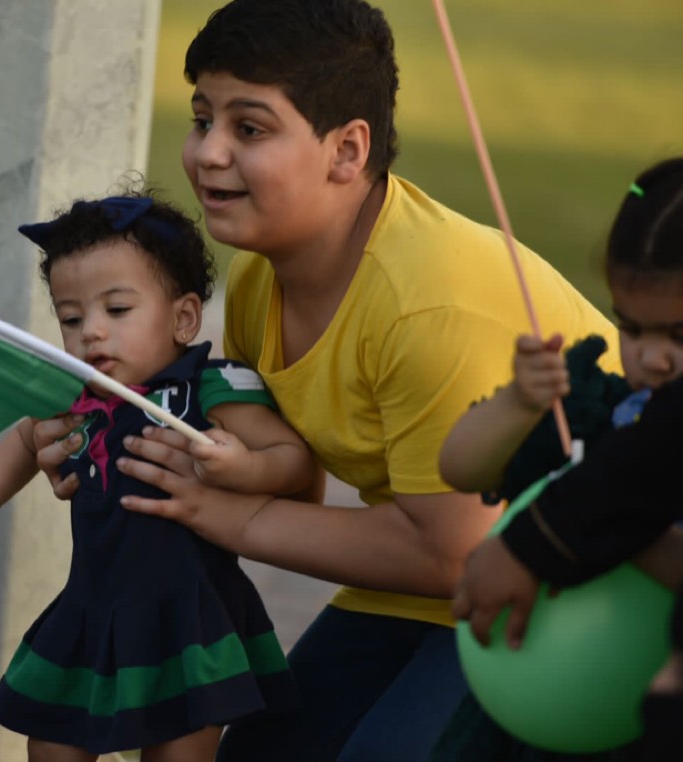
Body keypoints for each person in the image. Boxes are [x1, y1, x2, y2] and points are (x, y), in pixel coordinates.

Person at [32, 2, 621, 759]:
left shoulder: (428, 304)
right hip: (425, 588)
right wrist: (119, 451)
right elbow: (294, 491)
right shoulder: (257, 285)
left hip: (572, 586)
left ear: (347, 150)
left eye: (249, 128)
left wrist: (225, 515)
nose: (208, 152)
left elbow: (454, 554)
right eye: (202, 118)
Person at [0, 190, 311, 761]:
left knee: (178, 753)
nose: (91, 332)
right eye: (71, 317)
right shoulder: (76, 395)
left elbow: (293, 459)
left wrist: (245, 466)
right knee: (52, 747)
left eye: (116, 310)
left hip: (187, 618)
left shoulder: (207, 389)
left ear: (183, 317)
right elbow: (24, 438)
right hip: (92, 608)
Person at [446, 158, 683, 760]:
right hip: (534, 717)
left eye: (679, 337)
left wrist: (606, 527)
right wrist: (519, 404)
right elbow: (462, 468)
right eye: (633, 330)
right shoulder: (602, 413)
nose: (653, 357)